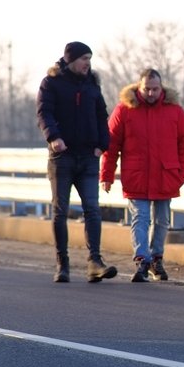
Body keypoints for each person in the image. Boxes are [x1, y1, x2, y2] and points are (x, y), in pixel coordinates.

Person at [100, 68, 184, 282]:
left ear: (161, 88)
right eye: (147, 89)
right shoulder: (124, 110)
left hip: (166, 174)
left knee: (162, 221)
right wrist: (106, 174)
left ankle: (156, 258)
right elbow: (111, 144)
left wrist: (183, 172)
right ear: (138, 87)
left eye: (155, 89)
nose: (151, 93)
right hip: (137, 175)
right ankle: (142, 259)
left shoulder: (175, 111)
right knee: (140, 219)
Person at [36, 41, 118, 283]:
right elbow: (44, 112)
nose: (87, 63)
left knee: (92, 209)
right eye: (84, 59)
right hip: (62, 157)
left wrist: (102, 145)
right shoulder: (51, 82)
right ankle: (62, 263)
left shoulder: (92, 83)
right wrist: (53, 137)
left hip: (88, 157)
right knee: (61, 211)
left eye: (90, 59)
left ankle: (95, 262)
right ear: (71, 60)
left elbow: (102, 115)